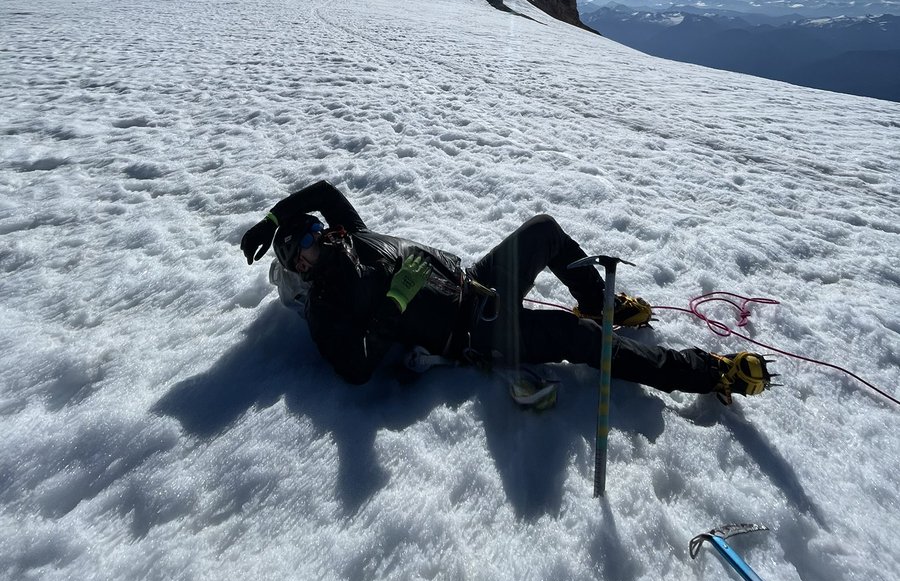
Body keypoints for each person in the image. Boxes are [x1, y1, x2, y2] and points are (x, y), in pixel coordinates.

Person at [240, 180, 772, 404]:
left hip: (474, 280)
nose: (316, 236)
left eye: (312, 228)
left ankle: (600, 301)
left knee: (543, 229)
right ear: (299, 269)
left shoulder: (350, 236)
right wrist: (394, 306)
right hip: (473, 330)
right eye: (300, 245)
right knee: (576, 337)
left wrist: (271, 218)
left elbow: (325, 194)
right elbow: (354, 370)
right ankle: (705, 371)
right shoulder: (327, 307)